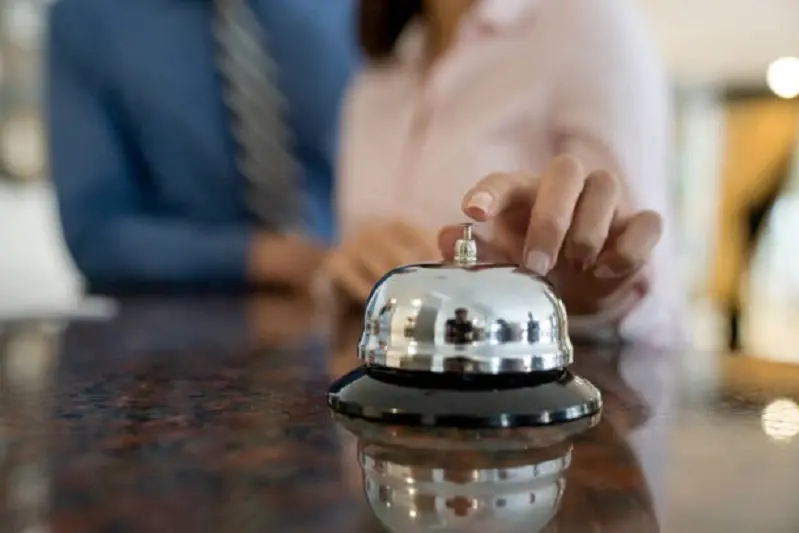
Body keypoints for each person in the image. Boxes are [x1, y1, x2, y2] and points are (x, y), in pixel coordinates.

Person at [326, 0, 683, 342]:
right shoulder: (377, 78)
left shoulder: (588, 24)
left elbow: (655, 310)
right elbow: (347, 260)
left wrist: (595, 299)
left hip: (531, 391)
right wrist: (345, 271)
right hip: (387, 387)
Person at [45, 0, 359, 291]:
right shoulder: (88, 18)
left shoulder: (348, 12)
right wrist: (265, 258)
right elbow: (96, 237)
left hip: (356, 293)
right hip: (180, 318)